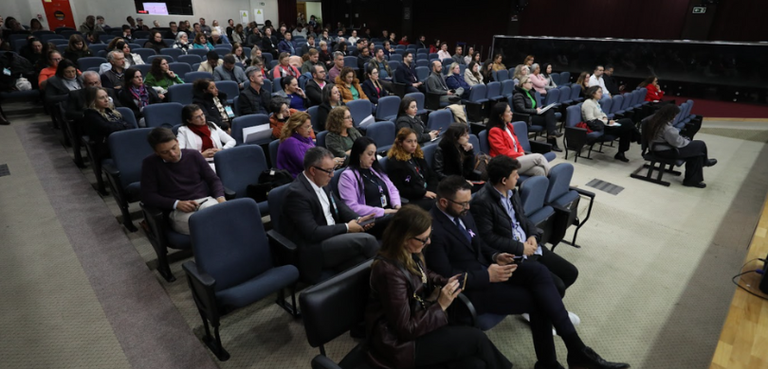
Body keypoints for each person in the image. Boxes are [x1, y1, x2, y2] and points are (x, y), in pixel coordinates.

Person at [424, 176, 630, 369]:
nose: (468, 207)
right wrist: (488, 275)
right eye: (463, 204)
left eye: (469, 202)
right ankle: (563, 358)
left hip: (490, 269)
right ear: (443, 202)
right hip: (472, 288)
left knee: (538, 271)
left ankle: (576, 350)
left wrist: (496, 256)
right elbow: (446, 277)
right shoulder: (433, 230)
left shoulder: (462, 212)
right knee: (539, 302)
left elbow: (479, 243)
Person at [365, 204, 513, 369]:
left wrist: (445, 281)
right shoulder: (388, 272)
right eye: (423, 238)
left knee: (475, 364)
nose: (428, 241)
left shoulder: (410, 253)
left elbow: (424, 274)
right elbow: (405, 330)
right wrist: (441, 304)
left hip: (420, 319)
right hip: (400, 344)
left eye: (429, 236)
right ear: (405, 239)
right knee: (476, 339)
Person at [471, 155, 579, 297]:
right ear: (504, 180)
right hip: (512, 255)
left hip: (531, 247)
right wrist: (521, 248)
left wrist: (532, 235)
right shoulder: (482, 202)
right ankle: (540, 305)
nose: (518, 177)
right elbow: (487, 238)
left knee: (570, 273)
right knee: (557, 285)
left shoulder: (511, 192)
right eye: (515, 175)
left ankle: (542, 302)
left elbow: (523, 218)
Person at [280, 146, 378, 283]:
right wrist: (347, 227)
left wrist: (357, 219)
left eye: (333, 170)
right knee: (368, 241)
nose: (332, 175)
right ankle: (390, 279)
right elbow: (312, 233)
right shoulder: (297, 194)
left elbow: (338, 205)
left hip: (333, 235)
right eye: (329, 171)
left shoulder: (323, 180)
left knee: (361, 264)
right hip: (316, 247)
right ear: (313, 171)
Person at [141, 127, 226, 235]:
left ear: (177, 142)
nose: (172, 154)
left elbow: (213, 180)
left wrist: (220, 197)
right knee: (203, 225)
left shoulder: (193, 155)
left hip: (204, 200)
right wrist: (176, 204)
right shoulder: (150, 164)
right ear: (156, 152)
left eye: (174, 148)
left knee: (218, 217)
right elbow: (148, 196)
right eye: (165, 152)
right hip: (178, 209)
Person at [338, 137, 401, 237]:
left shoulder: (375, 169)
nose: (374, 158)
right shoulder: (347, 176)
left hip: (390, 212)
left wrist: (397, 206)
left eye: (374, 154)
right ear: (359, 154)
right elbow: (352, 207)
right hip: (370, 221)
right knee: (402, 222)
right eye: (369, 154)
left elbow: (392, 188)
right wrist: (383, 212)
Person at [645, 104, 717, 188]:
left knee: (697, 154)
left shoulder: (657, 121)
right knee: (700, 144)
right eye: (675, 115)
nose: (675, 117)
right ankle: (703, 164)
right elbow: (677, 143)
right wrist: (687, 141)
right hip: (664, 151)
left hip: (660, 148)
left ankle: (692, 180)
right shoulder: (667, 128)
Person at [487, 102, 550, 176]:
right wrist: (519, 155)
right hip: (505, 164)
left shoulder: (509, 126)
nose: (511, 113)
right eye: (508, 111)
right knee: (539, 157)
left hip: (516, 159)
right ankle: (554, 179)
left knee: (539, 171)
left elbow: (517, 144)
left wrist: (521, 152)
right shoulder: (494, 131)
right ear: (501, 116)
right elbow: (503, 152)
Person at [386, 128, 439, 210]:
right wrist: (423, 193)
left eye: (415, 141)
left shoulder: (417, 155)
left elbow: (431, 175)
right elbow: (400, 189)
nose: (413, 145)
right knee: (439, 204)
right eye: (409, 141)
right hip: (413, 198)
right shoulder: (395, 163)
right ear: (400, 143)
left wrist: (430, 190)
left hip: (427, 191)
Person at [581, 86, 636, 162]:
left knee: (627, 129)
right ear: (593, 93)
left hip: (605, 124)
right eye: (599, 92)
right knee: (628, 122)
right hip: (598, 127)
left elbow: (601, 113)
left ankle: (621, 153)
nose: (601, 94)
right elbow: (590, 119)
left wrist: (605, 118)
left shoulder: (595, 102)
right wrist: (606, 122)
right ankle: (638, 138)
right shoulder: (588, 103)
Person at [176, 104, 235, 170]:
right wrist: (200, 155)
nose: (202, 118)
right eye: (198, 117)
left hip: (218, 161)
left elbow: (232, 141)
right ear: (189, 120)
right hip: (198, 164)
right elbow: (180, 152)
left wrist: (221, 150)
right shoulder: (183, 131)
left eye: (202, 114)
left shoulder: (212, 125)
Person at [513, 75, 562, 151]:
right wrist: (535, 111)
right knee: (550, 120)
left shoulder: (530, 93)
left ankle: (552, 135)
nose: (532, 84)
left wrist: (539, 109)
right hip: (527, 117)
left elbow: (534, 106)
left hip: (534, 114)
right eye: (530, 82)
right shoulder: (518, 95)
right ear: (523, 84)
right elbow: (521, 109)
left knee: (550, 111)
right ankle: (552, 141)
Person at [82, 87, 134, 159]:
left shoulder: (110, 111)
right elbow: (107, 128)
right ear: (93, 100)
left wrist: (122, 126)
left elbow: (131, 125)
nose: (106, 100)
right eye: (101, 98)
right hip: (107, 147)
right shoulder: (90, 114)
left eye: (107, 96)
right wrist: (123, 125)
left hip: (122, 142)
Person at [277, 111, 316, 177]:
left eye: (310, 126)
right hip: (296, 177)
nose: (310, 130)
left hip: (309, 173)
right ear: (296, 127)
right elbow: (304, 164)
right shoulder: (289, 142)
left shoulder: (307, 137)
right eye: (307, 127)